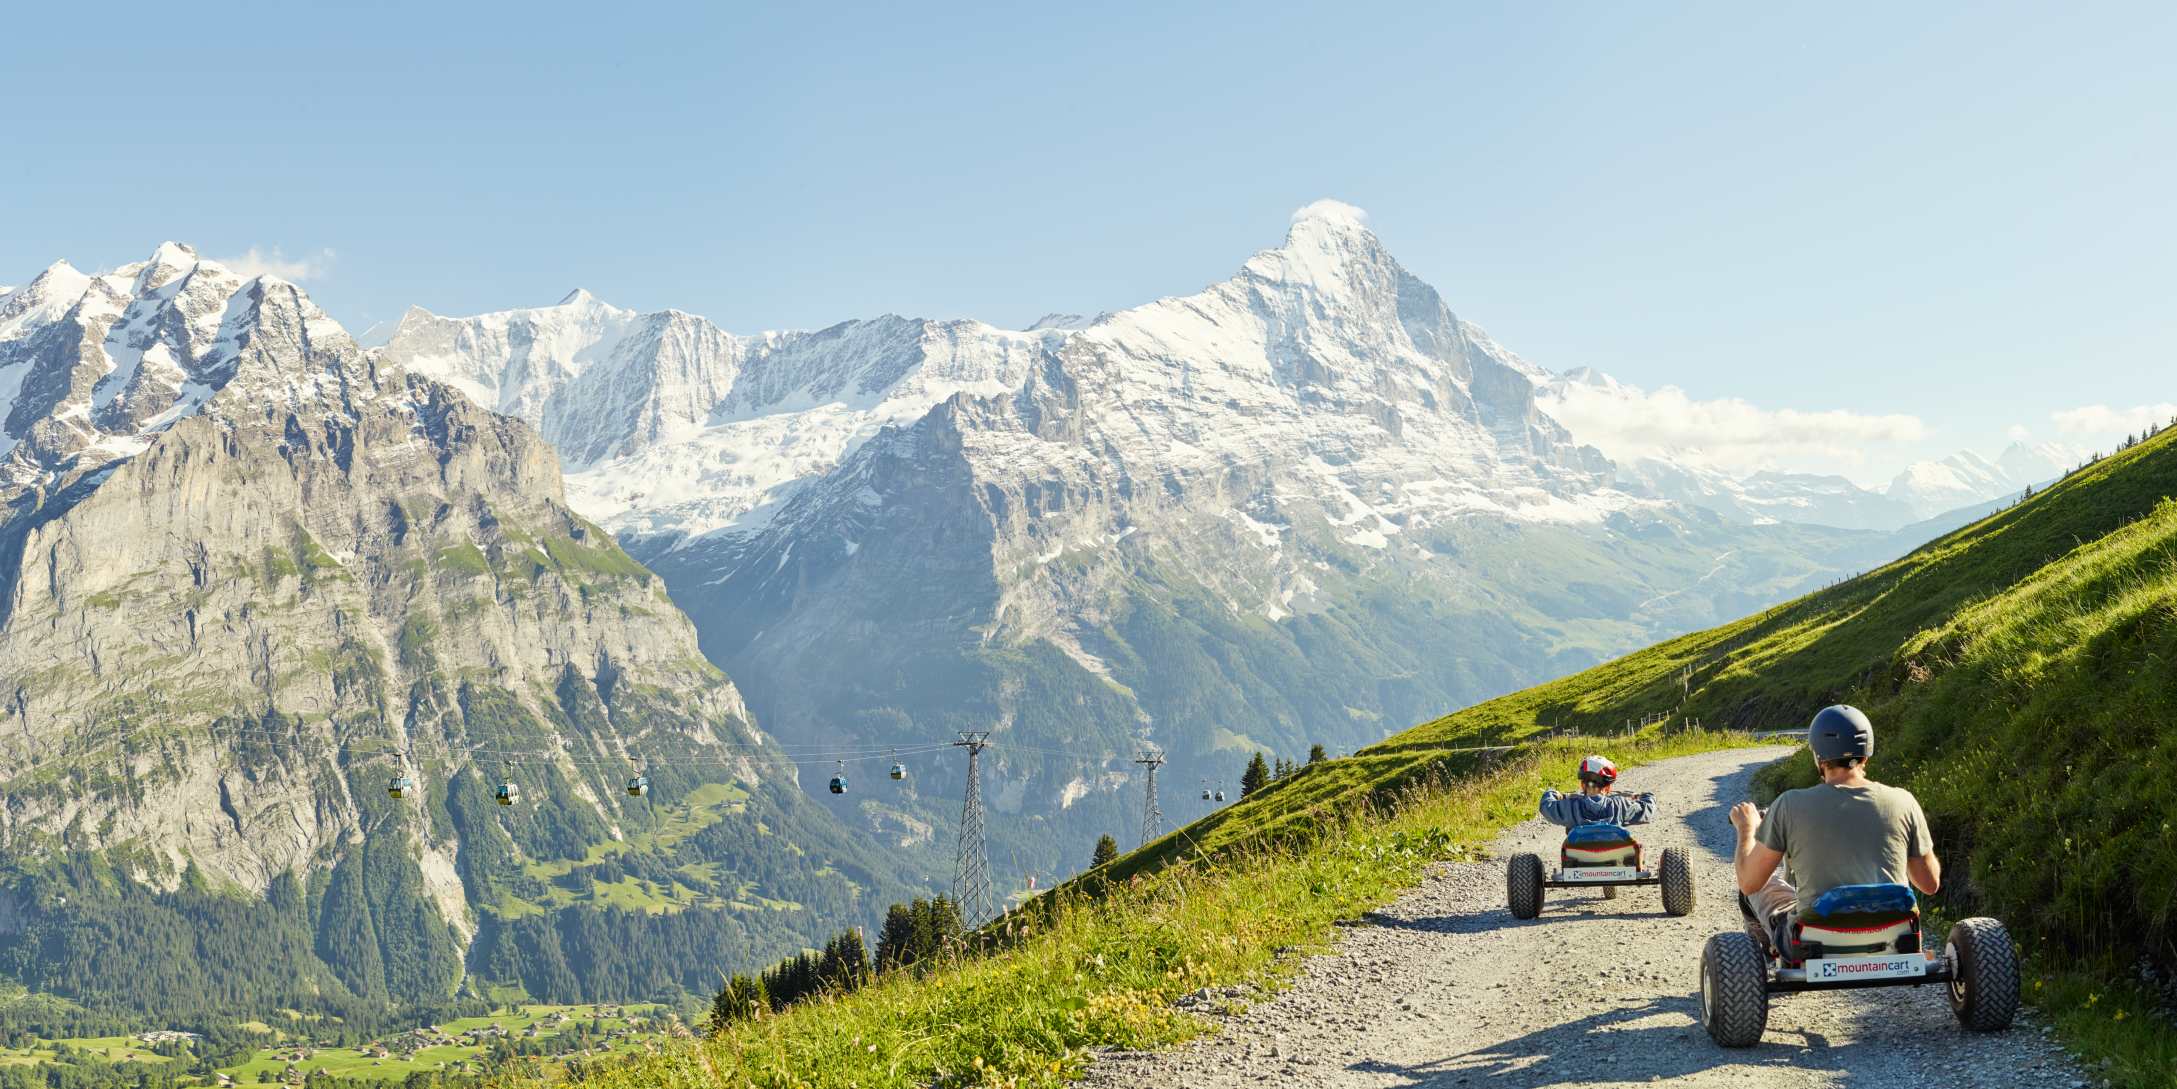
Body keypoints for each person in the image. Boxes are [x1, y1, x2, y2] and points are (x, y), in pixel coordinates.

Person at [1729, 704, 1941, 954]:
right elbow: (1929, 883)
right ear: (1866, 752)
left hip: (1813, 942)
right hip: (1896, 935)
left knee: (1763, 887)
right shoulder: (1904, 801)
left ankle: (1767, 953)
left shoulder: (1789, 804)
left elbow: (1748, 882)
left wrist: (1747, 828)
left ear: (1818, 756)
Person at [1538, 754, 1657, 826]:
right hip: (1615, 859)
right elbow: (1647, 809)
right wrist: (1644, 796)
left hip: (1579, 858)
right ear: (1608, 787)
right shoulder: (1620, 805)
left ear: (1583, 785)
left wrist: (1554, 794)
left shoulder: (1570, 806)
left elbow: (1546, 805)